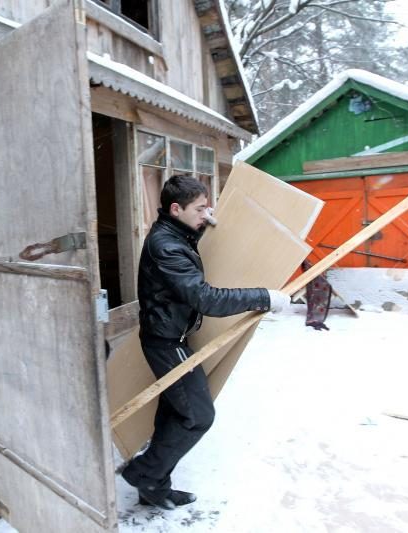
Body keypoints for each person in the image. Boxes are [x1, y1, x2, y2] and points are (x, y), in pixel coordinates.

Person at [120, 175, 289, 510]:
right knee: (197, 416)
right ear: (175, 208)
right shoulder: (166, 246)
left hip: (171, 335)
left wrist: (198, 228)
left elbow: (184, 249)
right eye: (199, 208)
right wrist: (263, 297)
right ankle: (145, 474)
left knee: (174, 413)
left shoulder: (174, 233)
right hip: (166, 342)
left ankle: (154, 486)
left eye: (207, 206)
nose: (206, 212)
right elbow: (205, 298)